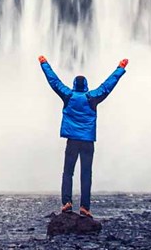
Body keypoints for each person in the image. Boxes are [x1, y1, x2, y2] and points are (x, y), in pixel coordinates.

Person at [38, 55, 128, 218]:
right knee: (86, 173)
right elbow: (108, 85)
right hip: (87, 141)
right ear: (86, 86)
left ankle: (67, 203)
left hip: (72, 140)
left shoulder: (68, 95)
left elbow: (54, 81)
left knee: (68, 172)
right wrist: (120, 68)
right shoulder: (92, 97)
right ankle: (85, 207)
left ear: (74, 85)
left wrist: (44, 64)